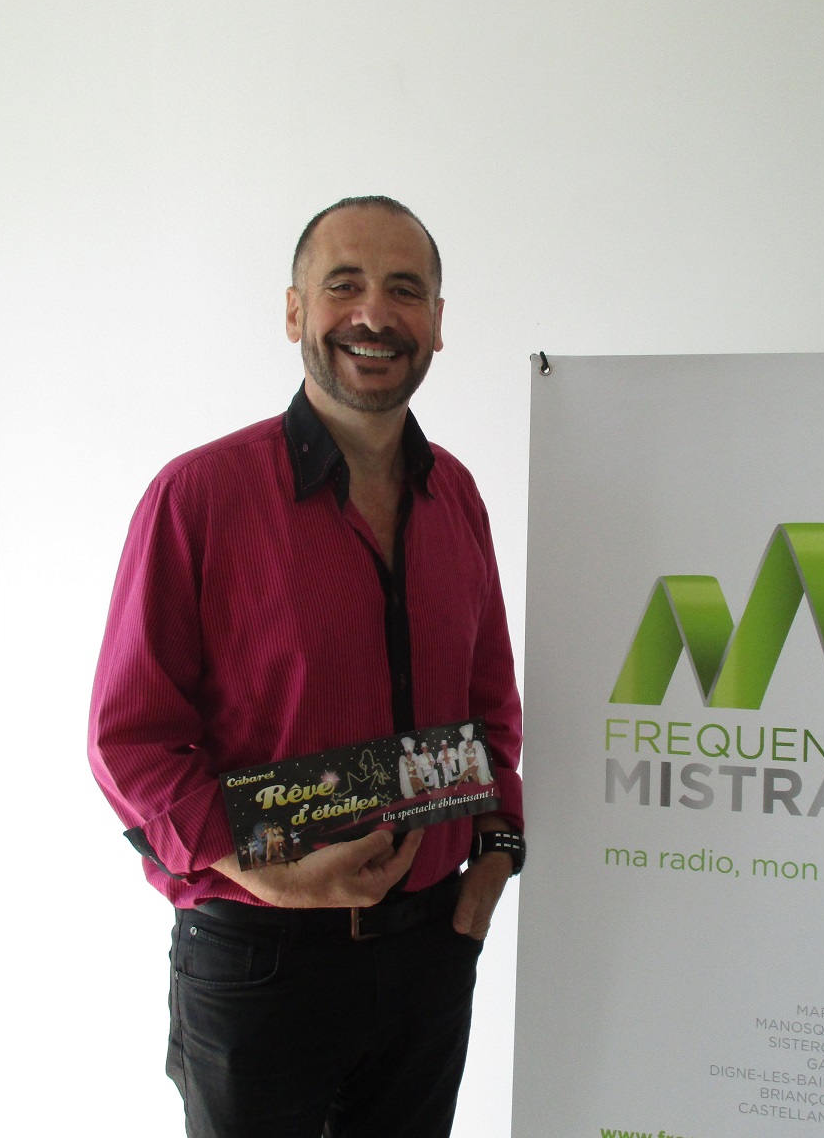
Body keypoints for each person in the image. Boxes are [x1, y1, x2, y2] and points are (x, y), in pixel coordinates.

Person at [88, 196, 526, 1138]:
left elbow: (491, 709)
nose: (375, 314)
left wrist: (498, 854)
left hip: (430, 952)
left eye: (404, 290)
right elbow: (131, 742)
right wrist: (274, 877)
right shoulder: (198, 497)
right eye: (344, 285)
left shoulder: (458, 498)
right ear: (295, 312)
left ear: (437, 322)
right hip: (262, 960)